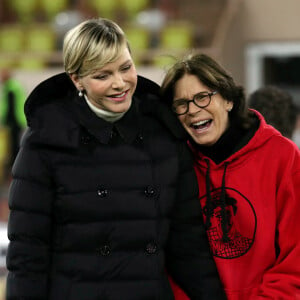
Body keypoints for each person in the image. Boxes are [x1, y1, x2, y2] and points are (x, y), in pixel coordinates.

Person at [5, 19, 225, 300]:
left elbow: (188, 245)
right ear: (77, 79)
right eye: (102, 75)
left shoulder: (164, 132)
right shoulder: (45, 142)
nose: (120, 84)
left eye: (126, 67)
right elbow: (27, 254)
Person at [160, 53, 300, 300]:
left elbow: (295, 262)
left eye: (202, 97)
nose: (192, 110)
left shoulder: (283, 157)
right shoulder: (176, 165)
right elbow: (172, 261)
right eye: (181, 104)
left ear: (229, 100)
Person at [0, 69, 26, 178]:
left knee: (13, 147)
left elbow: (10, 108)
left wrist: (5, 121)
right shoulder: (14, 86)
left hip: (14, 122)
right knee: (15, 145)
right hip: (18, 121)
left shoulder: (11, 88)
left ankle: (14, 171)